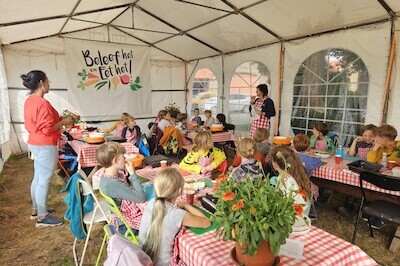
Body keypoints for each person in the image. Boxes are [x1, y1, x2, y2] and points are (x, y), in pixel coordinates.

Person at [22, 70, 72, 227]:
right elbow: (47, 128)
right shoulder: (42, 103)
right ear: (41, 83)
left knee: (38, 177)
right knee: (44, 179)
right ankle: (42, 218)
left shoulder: (29, 100)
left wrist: (61, 122)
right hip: (45, 144)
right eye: (48, 81)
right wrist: (65, 121)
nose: (49, 83)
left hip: (35, 142)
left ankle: (36, 210)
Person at [139, 168, 210, 265]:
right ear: (180, 190)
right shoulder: (177, 214)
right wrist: (186, 206)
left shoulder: (151, 203)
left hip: (142, 259)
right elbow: (206, 222)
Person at [366, 124, 400, 229]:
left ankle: (382, 217)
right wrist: (375, 148)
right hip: (384, 180)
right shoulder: (382, 148)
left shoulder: (398, 147)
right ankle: (376, 214)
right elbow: (370, 162)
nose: (374, 138)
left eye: (377, 137)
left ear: (385, 139)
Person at [270, 146, 312, 217]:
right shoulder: (286, 176)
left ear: (274, 164)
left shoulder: (289, 182)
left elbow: (289, 207)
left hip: (291, 218)